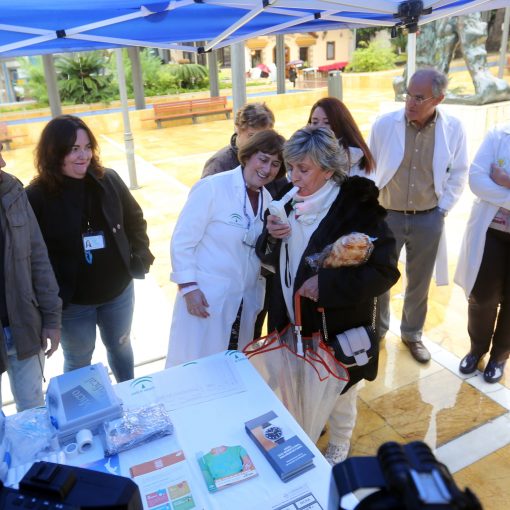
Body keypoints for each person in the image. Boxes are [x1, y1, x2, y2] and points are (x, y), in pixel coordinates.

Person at [257, 126, 399, 465]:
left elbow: (385, 271)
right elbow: (267, 256)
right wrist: (272, 236)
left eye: (303, 169)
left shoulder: (358, 208)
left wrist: (327, 285)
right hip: (290, 317)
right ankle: (308, 426)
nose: (293, 177)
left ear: (327, 169)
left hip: (335, 324)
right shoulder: (287, 199)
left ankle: (339, 442)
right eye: (291, 167)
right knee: (299, 384)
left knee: (341, 392)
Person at [26, 115, 154, 383]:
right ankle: (79, 406)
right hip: (73, 303)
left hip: (118, 292)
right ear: (54, 152)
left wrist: (140, 257)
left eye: (87, 147)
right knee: (78, 359)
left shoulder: (109, 180)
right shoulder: (36, 196)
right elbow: (31, 254)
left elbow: (135, 219)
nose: (83, 156)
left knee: (121, 346)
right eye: (74, 149)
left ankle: (128, 392)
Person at [369, 68, 468, 363]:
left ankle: (412, 334)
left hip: (428, 218)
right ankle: (377, 331)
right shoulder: (384, 124)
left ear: (438, 99)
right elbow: (370, 166)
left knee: (420, 281)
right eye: (408, 94)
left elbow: (459, 171)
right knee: (380, 277)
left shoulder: (453, 128)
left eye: (419, 97)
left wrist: (442, 210)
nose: (410, 102)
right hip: (387, 215)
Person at [166, 129, 286, 367]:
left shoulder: (268, 202)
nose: (267, 169)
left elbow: (258, 251)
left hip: (243, 302)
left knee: (231, 366)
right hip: (206, 299)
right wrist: (189, 288)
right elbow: (182, 240)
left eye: (275, 164)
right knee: (193, 366)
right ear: (248, 156)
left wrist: (274, 237)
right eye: (263, 159)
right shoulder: (212, 188)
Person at [0, 142, 61, 412]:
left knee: (34, 413)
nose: (3, 163)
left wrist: (52, 318)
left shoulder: (12, 191)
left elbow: (38, 257)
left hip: (25, 328)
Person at [454, 125, 510, 383]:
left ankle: (500, 356)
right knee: (482, 296)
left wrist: (506, 181)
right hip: (491, 232)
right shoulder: (498, 136)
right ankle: (477, 349)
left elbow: (491, 185)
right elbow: (477, 181)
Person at [307, 97, 375, 178]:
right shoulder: (304, 154)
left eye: (327, 122)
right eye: (315, 122)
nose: (320, 127)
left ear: (342, 125)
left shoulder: (354, 159)